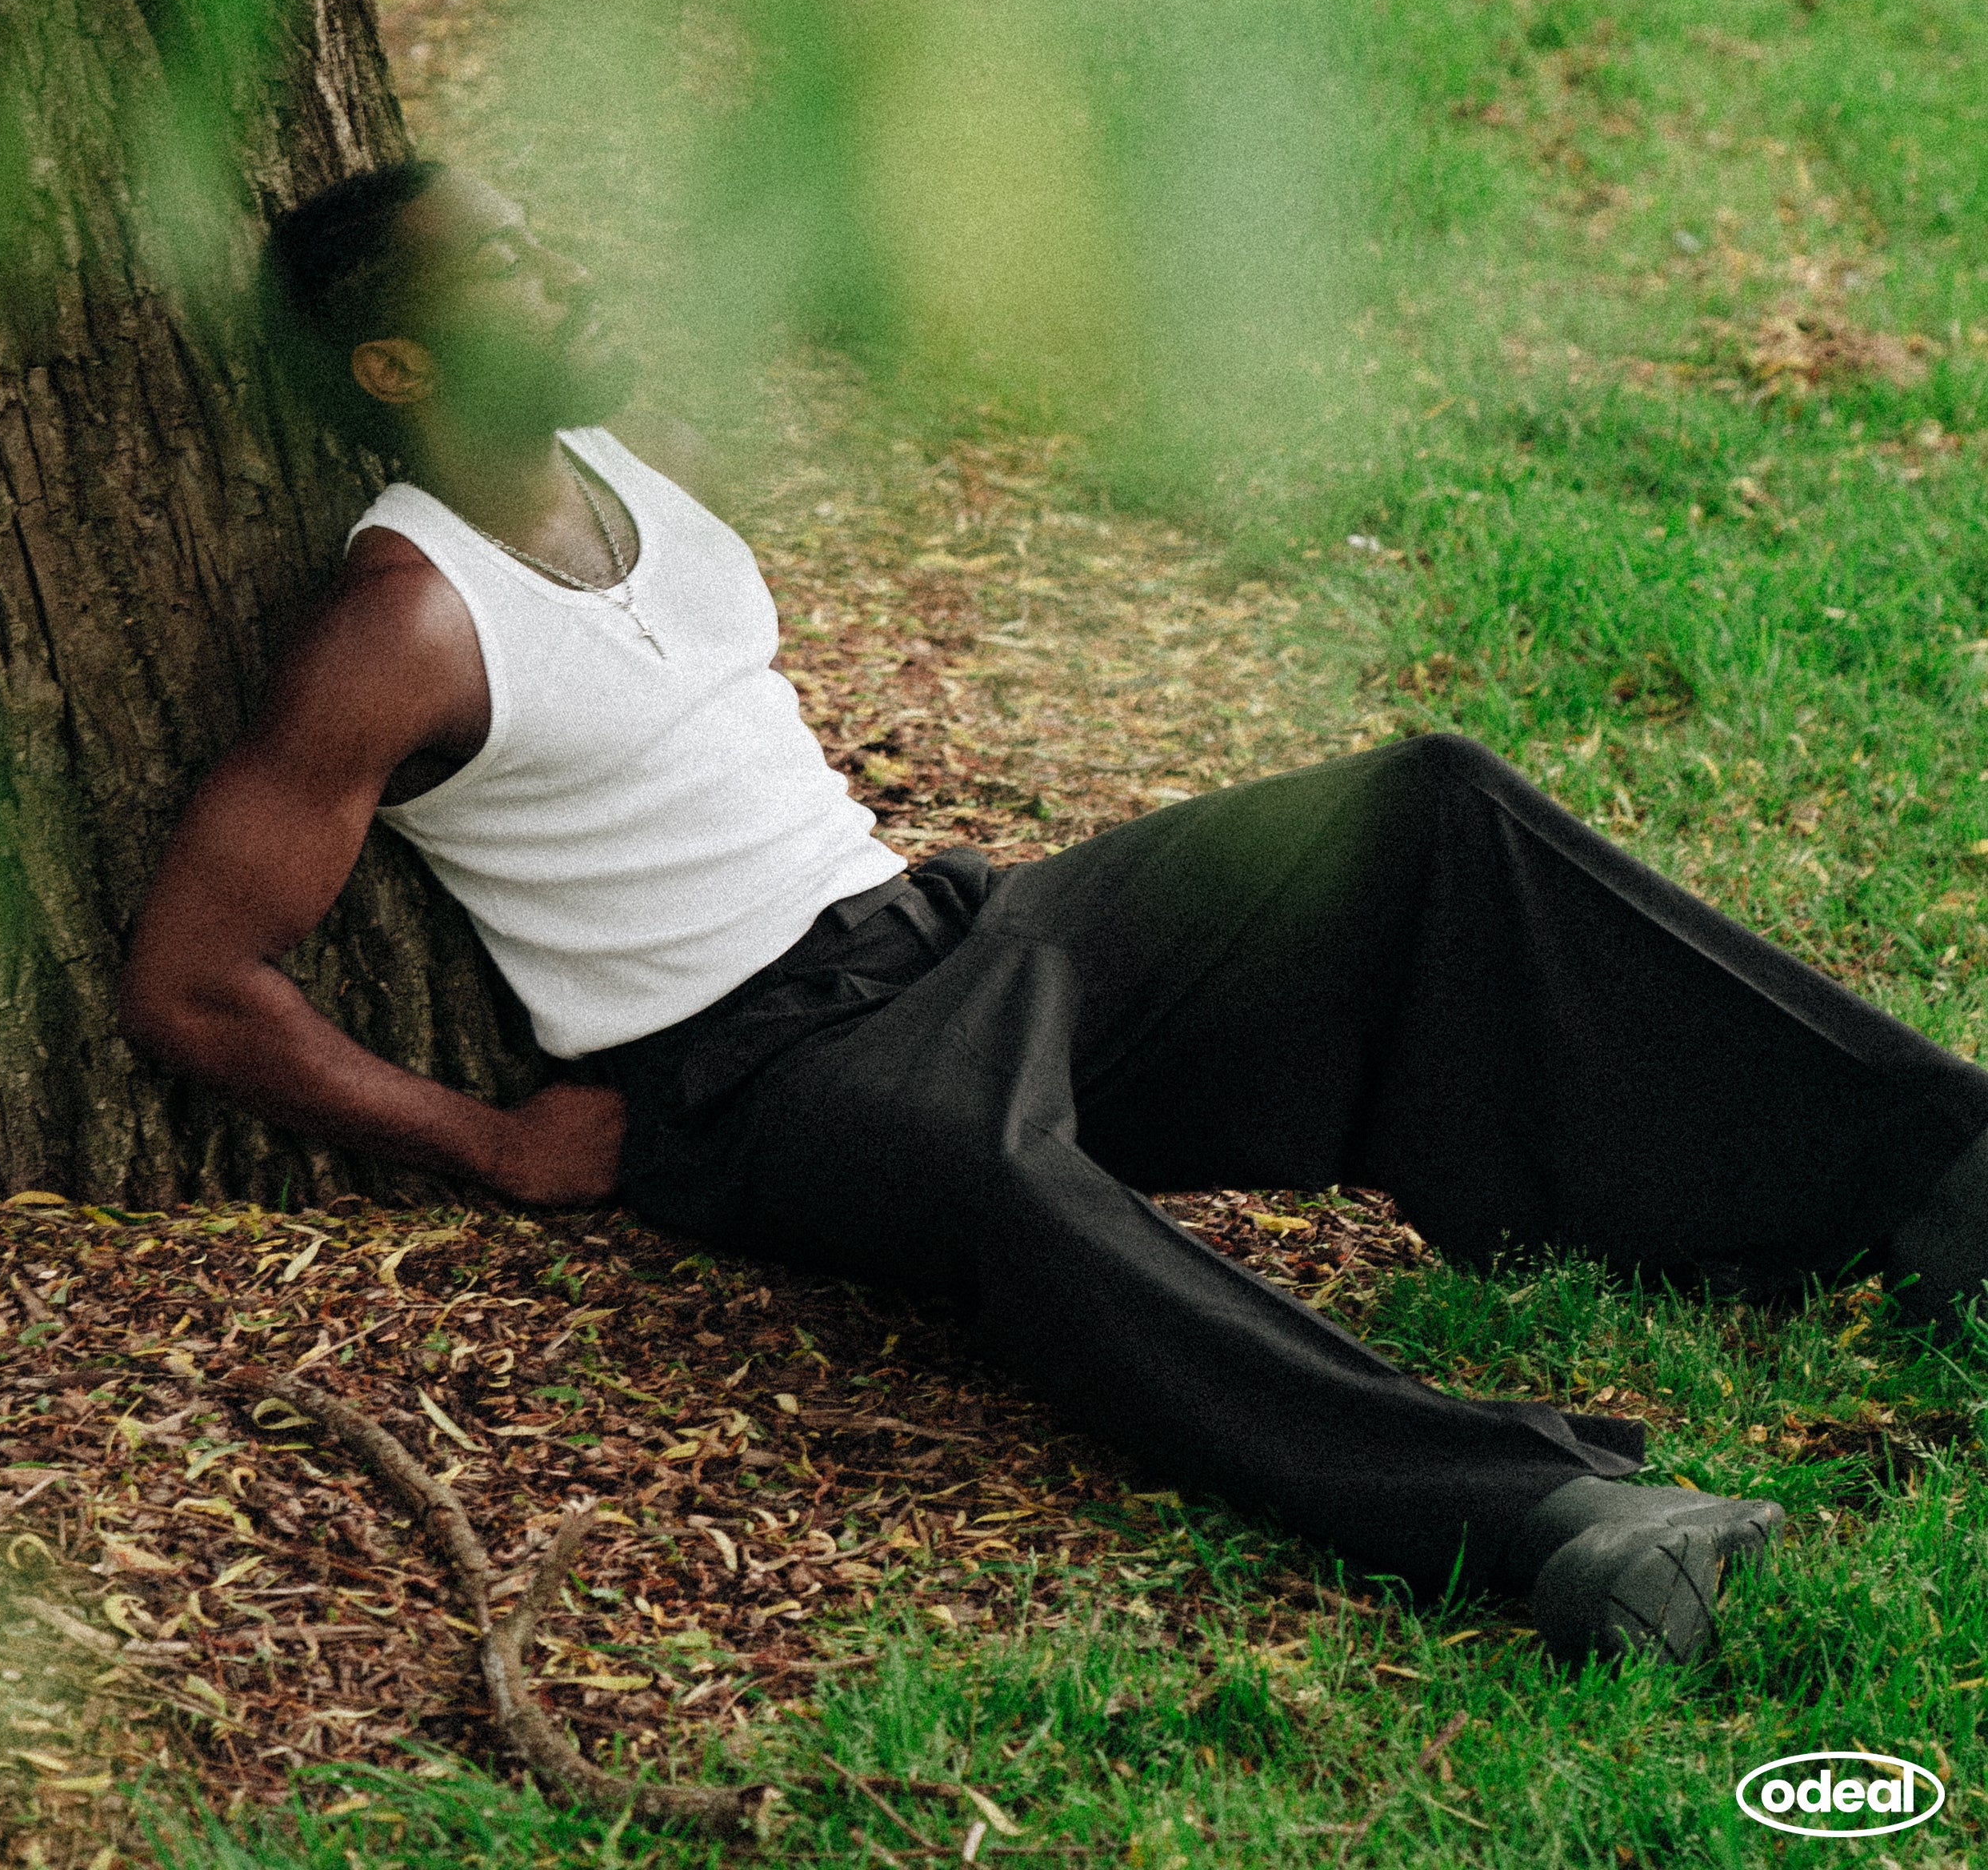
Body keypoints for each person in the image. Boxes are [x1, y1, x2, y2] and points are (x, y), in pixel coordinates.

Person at [119, 158, 1988, 1667]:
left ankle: (1931, 1183)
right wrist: (490, 1147)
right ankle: (1555, 1525)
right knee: (999, 1177)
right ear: (392, 367)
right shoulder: (403, 620)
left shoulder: (622, 460)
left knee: (1426, 814)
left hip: (958, 932)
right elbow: (195, 985)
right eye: (509, 268)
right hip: (766, 1074)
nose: (566, 271)